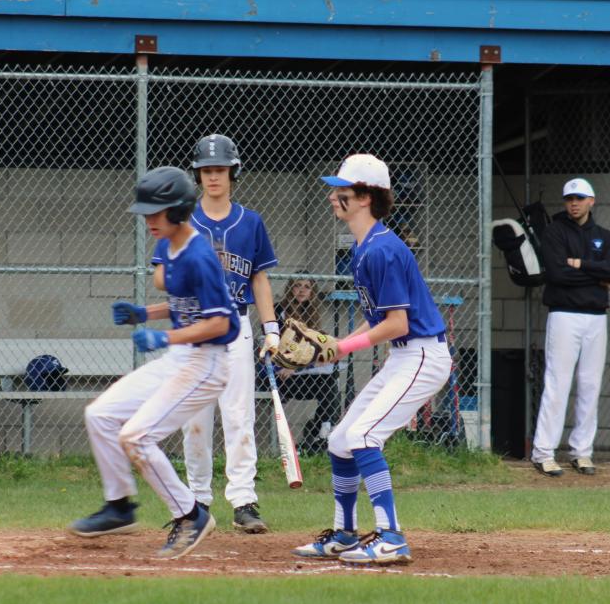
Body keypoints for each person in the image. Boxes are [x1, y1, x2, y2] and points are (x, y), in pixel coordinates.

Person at [68, 166, 239, 559]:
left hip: (207, 364)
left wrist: (164, 336)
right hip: (179, 358)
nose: (148, 221)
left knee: (137, 437)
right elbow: (183, 305)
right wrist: (144, 314)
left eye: (155, 213)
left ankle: (191, 515)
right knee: (101, 415)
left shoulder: (199, 255)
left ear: (178, 212)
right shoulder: (167, 246)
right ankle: (119, 506)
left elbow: (219, 321)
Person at [292, 153, 452, 565]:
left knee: (364, 436)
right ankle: (346, 533)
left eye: (341, 190)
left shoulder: (382, 250)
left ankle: (392, 536)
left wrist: (343, 348)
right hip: (404, 357)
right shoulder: (365, 248)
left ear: (365, 197)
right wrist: (336, 341)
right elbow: (375, 318)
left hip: (421, 355)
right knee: (341, 440)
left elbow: (398, 323)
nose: (332, 196)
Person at [158, 134, 278, 534]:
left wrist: (271, 329)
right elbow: (163, 277)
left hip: (237, 326)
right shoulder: (183, 221)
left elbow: (259, 279)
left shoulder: (252, 221)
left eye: (220, 170)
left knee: (238, 414)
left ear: (232, 173)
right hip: (194, 329)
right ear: (198, 175)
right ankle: (196, 503)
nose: (213, 177)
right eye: (207, 171)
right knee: (194, 419)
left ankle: (244, 500)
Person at [531, 177, 610, 477]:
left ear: (591, 201)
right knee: (558, 383)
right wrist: (597, 278)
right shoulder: (555, 232)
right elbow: (557, 274)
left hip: (596, 317)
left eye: (580, 198)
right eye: (570, 198)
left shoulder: (604, 236)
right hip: (564, 315)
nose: (574, 203)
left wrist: (580, 265)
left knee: (590, 384)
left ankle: (582, 452)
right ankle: (543, 452)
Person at [273, 276, 340, 454]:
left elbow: (313, 347)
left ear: (312, 292)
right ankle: (319, 431)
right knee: (329, 382)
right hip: (281, 375)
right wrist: (290, 364)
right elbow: (277, 344)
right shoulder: (279, 310)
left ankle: (322, 432)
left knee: (331, 382)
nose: (302, 290)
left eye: (307, 287)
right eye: (297, 286)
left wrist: (328, 348)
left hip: (302, 372)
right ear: (290, 289)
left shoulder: (311, 312)